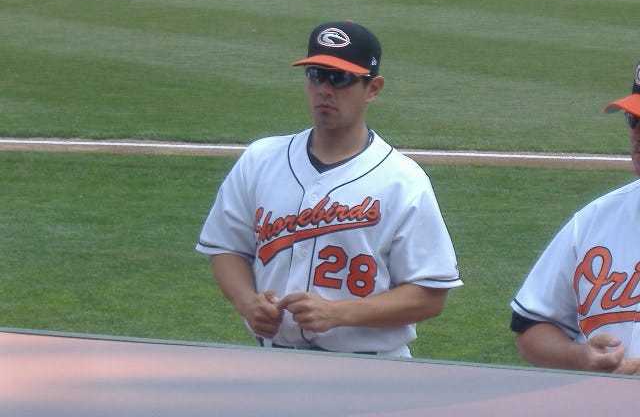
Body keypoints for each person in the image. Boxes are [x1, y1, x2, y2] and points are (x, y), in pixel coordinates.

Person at [196, 20, 463, 358]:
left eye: (339, 78)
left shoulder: (403, 180)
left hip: (371, 370)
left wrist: (339, 313)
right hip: (273, 360)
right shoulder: (260, 159)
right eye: (316, 75)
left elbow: (430, 295)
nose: (324, 89)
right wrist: (247, 302)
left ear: (373, 88)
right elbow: (227, 247)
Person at [510, 61, 640, 375]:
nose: (638, 135)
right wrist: (580, 357)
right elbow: (531, 327)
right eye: (632, 119)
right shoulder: (595, 222)